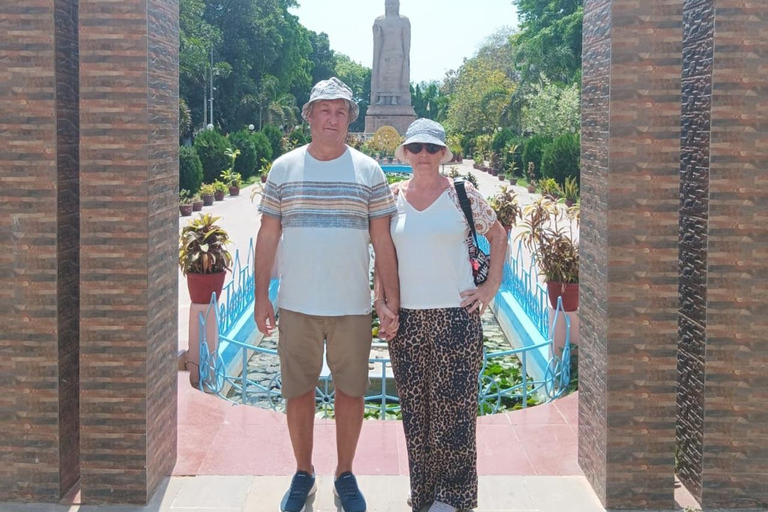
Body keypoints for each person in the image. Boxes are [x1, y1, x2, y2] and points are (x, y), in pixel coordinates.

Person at [255, 77, 400, 512]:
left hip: (351, 307)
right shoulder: (284, 168)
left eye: (340, 111)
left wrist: (387, 298)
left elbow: (383, 240)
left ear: (350, 119)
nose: (332, 118)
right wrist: (262, 295)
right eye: (324, 110)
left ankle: (345, 474)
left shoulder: (368, 171)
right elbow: (267, 236)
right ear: (310, 116)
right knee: (298, 392)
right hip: (297, 304)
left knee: (350, 392)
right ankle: (303, 472)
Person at [374, 119, 506, 512]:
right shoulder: (393, 196)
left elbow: (498, 236)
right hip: (409, 322)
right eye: (416, 149)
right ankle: (424, 495)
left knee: (456, 414)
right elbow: (384, 257)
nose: (424, 156)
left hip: (455, 318)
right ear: (406, 154)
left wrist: (489, 289)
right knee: (417, 415)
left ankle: (455, 497)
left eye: (432, 149)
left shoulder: (462, 195)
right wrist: (380, 303)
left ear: (443, 154)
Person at [371, 0, 411, 106]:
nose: (390, 7)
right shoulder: (379, 20)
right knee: (383, 75)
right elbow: (377, 38)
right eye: (388, 4)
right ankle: (382, 98)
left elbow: (406, 39)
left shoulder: (403, 20)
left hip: (398, 53)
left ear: (398, 5)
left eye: (393, 4)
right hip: (384, 52)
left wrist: (406, 56)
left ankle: (394, 98)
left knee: (396, 76)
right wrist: (377, 34)